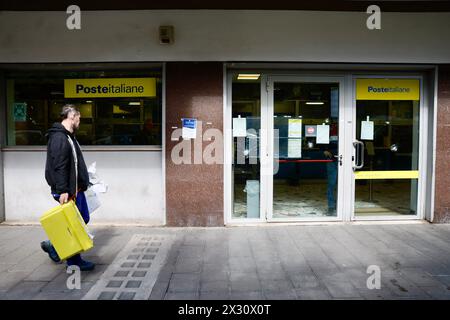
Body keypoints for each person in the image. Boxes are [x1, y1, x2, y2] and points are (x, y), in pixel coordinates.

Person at [41, 104, 95, 271]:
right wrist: (63, 189)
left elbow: (74, 163)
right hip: (68, 190)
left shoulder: (69, 136)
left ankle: (56, 247)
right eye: (79, 118)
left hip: (75, 188)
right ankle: (71, 259)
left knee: (80, 219)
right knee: (76, 222)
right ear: (72, 116)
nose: (80, 121)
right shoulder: (60, 138)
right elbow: (60, 165)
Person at [323, 123, 338, 215]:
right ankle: (331, 206)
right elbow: (320, 141)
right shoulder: (326, 129)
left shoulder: (348, 128)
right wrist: (324, 150)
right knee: (332, 184)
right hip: (332, 160)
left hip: (344, 160)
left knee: (344, 185)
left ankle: (341, 205)